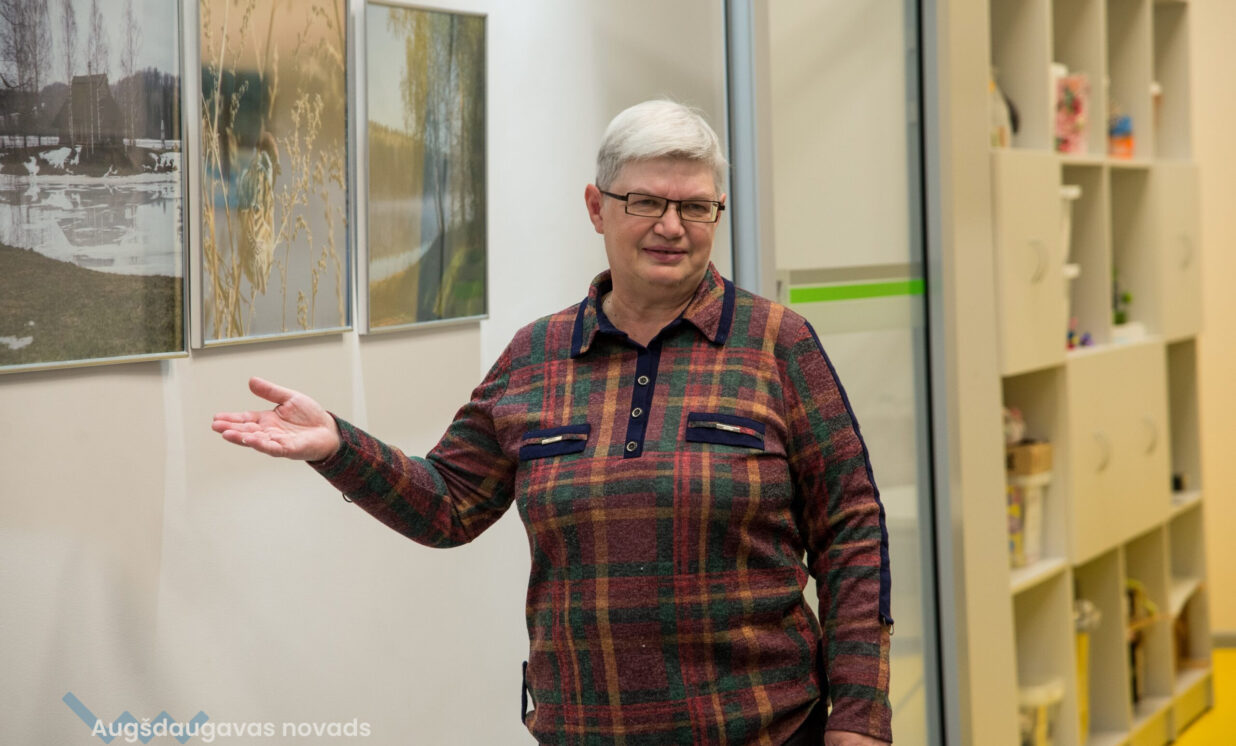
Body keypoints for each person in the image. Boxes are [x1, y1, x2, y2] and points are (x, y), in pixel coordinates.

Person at [213, 99, 893, 746]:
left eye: (695, 206)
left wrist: (859, 717)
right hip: (581, 730)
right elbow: (449, 504)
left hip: (765, 728)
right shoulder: (537, 355)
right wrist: (337, 446)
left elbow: (851, 533)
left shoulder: (778, 344)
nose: (672, 226)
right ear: (597, 207)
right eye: (646, 202)